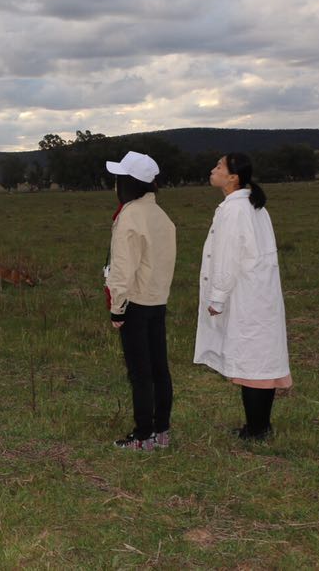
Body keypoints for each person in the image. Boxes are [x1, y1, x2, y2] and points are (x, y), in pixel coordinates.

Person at [194, 153, 292, 441]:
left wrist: (217, 298)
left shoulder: (235, 210)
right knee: (259, 360)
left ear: (233, 177)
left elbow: (226, 257)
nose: (213, 170)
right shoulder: (251, 205)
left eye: (219, 167)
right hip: (258, 292)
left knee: (253, 363)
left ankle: (258, 429)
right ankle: (259, 425)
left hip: (245, 294)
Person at [104, 151, 177, 451]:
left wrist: (116, 308)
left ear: (129, 183)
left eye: (119, 178)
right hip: (157, 300)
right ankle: (161, 431)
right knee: (160, 368)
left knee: (140, 373)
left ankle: (143, 435)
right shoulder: (161, 215)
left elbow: (123, 268)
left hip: (135, 302)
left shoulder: (130, 215)